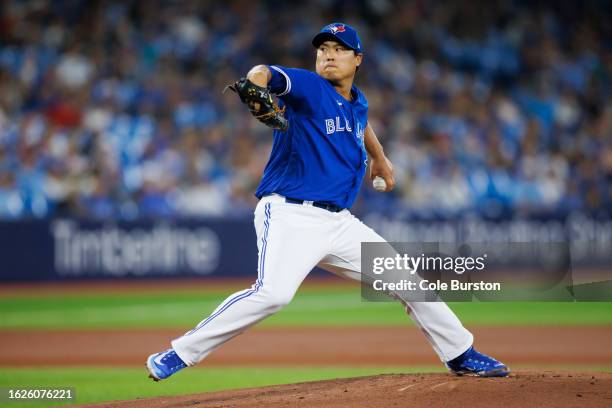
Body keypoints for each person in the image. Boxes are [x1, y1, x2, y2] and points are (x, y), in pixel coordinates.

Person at [146, 23, 509, 381]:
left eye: (338, 49)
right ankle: (178, 352)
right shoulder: (308, 87)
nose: (329, 55)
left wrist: (379, 156)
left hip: (340, 223)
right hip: (291, 213)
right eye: (323, 49)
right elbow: (263, 73)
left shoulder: (357, 99)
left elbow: (360, 120)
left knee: (407, 281)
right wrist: (255, 84)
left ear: (358, 59)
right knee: (273, 295)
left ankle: (460, 354)